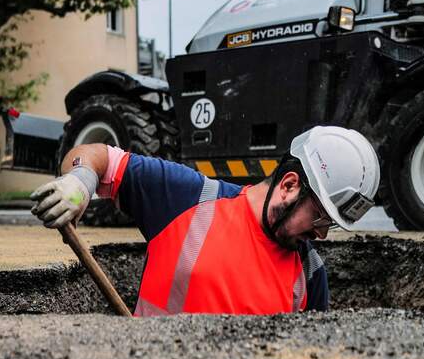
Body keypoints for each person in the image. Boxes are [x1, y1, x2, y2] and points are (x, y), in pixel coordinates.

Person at [31, 127, 380, 315]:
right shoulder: (188, 199)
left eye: (330, 224)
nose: (321, 234)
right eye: (319, 216)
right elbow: (97, 156)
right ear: (289, 186)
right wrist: (80, 182)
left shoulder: (311, 273)